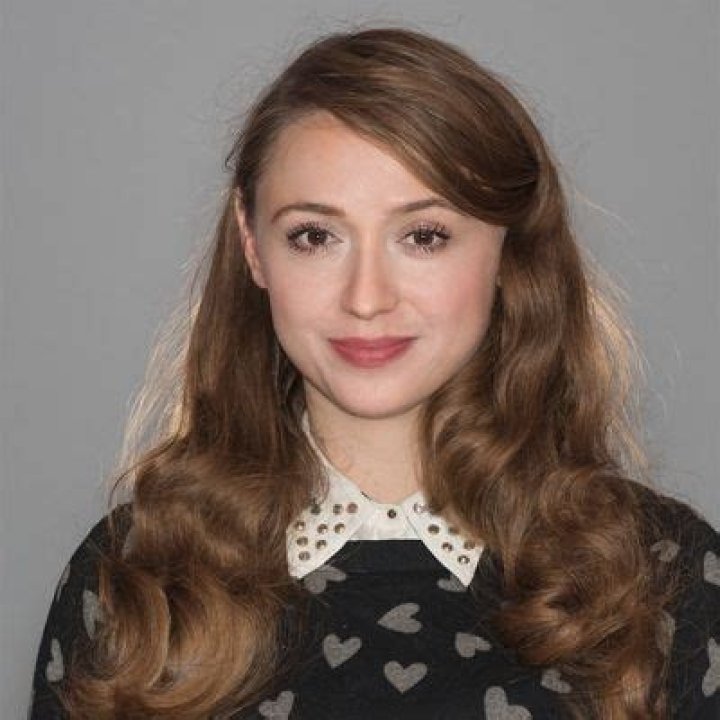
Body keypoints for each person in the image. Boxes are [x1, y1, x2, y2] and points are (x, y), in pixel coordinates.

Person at [29, 26, 719, 720]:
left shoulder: (663, 578)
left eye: (423, 236)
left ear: (510, 252)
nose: (366, 298)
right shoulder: (134, 582)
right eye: (314, 236)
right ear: (253, 246)